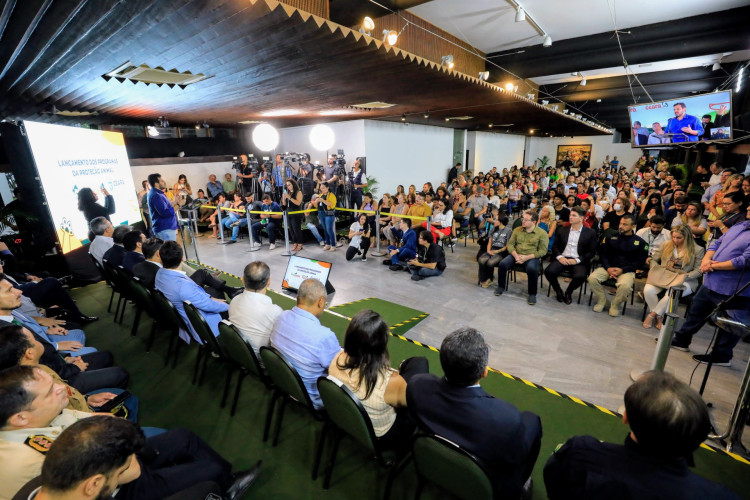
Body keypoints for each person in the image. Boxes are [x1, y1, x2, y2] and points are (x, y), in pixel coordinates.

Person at [0, 368, 262, 500]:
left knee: (184, 437)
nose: (61, 389)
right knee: (208, 474)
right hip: (120, 484)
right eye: (51, 392)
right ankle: (223, 487)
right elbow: (123, 474)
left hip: (114, 463)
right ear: (20, 417)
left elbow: (95, 421)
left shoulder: (39, 419)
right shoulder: (26, 463)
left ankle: (226, 479)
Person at [544, 370, 740, 499]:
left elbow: (554, 481)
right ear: (697, 438)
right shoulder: (719, 496)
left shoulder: (582, 453)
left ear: (626, 417)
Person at [406, 327, 541, 499]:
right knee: (533, 421)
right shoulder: (506, 418)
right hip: (486, 484)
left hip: (435, 465)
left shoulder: (417, 385)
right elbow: (514, 458)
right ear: (484, 372)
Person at [328, 310, 428, 451]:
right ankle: (405, 365)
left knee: (416, 367)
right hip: (381, 438)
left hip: (348, 421)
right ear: (381, 345)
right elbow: (412, 403)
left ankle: (406, 366)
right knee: (421, 363)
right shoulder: (388, 382)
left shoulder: (337, 360)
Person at [671, 203, 750, 367]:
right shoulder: (741, 224)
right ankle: (681, 340)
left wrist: (713, 265)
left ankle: (721, 356)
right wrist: (707, 259)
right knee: (696, 312)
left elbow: (744, 260)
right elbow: (717, 242)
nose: (748, 208)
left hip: (734, 287)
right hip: (711, 280)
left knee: (728, 323)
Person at [269, 279, 341, 409]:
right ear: (320, 302)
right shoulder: (324, 336)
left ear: (298, 297)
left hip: (283, 384)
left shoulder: (281, 317)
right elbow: (340, 370)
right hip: (312, 399)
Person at [154, 241, 229, 344]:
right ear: (182, 259)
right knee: (227, 307)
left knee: (214, 293)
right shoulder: (183, 286)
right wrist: (230, 306)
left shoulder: (159, 275)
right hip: (201, 324)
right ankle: (222, 342)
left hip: (183, 315)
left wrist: (210, 297)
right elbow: (208, 306)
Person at [642, 225, 704, 329]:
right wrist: (654, 267)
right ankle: (660, 316)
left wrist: (686, 276)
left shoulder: (698, 250)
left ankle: (652, 315)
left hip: (684, 278)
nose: (675, 240)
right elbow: (654, 259)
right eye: (674, 237)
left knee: (672, 293)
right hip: (664, 275)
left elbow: (699, 270)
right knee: (648, 290)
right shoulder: (666, 245)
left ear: (687, 237)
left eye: (679, 238)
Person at [588, 214, 649, 317]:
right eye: (621, 223)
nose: (621, 226)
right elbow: (603, 255)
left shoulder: (641, 243)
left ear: (633, 226)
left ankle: (615, 304)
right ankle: (602, 300)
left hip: (626, 270)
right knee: (592, 278)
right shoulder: (610, 238)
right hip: (609, 267)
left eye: (625, 224)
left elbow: (639, 262)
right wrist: (608, 268)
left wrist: (622, 270)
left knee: (625, 286)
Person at [228, 261, 282, 358]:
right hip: (261, 362)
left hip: (238, 353)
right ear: (269, 282)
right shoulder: (276, 312)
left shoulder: (234, 301)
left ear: (243, 280)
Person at [544, 207, 598, 304]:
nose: (570, 217)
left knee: (581, 276)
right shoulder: (562, 230)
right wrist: (560, 257)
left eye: (574, 215)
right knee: (549, 271)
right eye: (570, 215)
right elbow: (555, 246)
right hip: (563, 257)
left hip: (578, 260)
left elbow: (591, 252)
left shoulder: (590, 233)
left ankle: (568, 292)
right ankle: (558, 290)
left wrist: (577, 260)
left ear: (581, 218)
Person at [495, 210, 549, 305]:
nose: (523, 221)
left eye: (526, 220)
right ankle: (501, 287)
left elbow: (543, 251)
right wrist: (516, 256)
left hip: (531, 256)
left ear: (534, 222)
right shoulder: (517, 230)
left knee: (532, 269)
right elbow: (510, 245)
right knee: (502, 264)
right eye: (523, 219)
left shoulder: (542, 233)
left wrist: (526, 258)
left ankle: (532, 294)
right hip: (516, 254)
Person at [478, 212, 511, 288]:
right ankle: (483, 279)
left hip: (501, 251)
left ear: (501, 221)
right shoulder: (493, 229)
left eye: (496, 220)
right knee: (481, 260)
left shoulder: (508, 231)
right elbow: (489, 241)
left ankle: (490, 278)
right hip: (492, 248)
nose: (494, 221)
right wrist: (489, 250)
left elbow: (507, 246)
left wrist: (497, 251)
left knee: (490, 262)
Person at [146, 173, 178, 241]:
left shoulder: (158, 193)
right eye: (161, 181)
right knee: (169, 251)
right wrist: (178, 205)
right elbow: (164, 213)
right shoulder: (155, 195)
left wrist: (175, 201)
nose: (164, 182)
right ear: (156, 184)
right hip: (164, 230)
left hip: (167, 228)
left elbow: (166, 207)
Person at [282, 179, 305, 252]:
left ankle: (300, 243)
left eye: (289, 185)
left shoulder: (298, 192)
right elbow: (284, 205)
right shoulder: (288, 193)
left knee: (296, 229)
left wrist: (289, 197)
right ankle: (295, 243)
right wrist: (284, 198)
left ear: (293, 184)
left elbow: (298, 203)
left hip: (296, 213)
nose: (288, 186)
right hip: (289, 212)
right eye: (287, 185)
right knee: (291, 229)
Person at [317, 182, 338, 251]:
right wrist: (315, 202)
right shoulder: (320, 195)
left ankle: (333, 245)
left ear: (327, 188)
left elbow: (332, 205)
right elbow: (317, 205)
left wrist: (323, 200)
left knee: (329, 229)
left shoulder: (332, 195)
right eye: (321, 188)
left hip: (329, 214)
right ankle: (328, 244)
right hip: (321, 214)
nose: (322, 190)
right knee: (325, 229)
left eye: (323, 188)